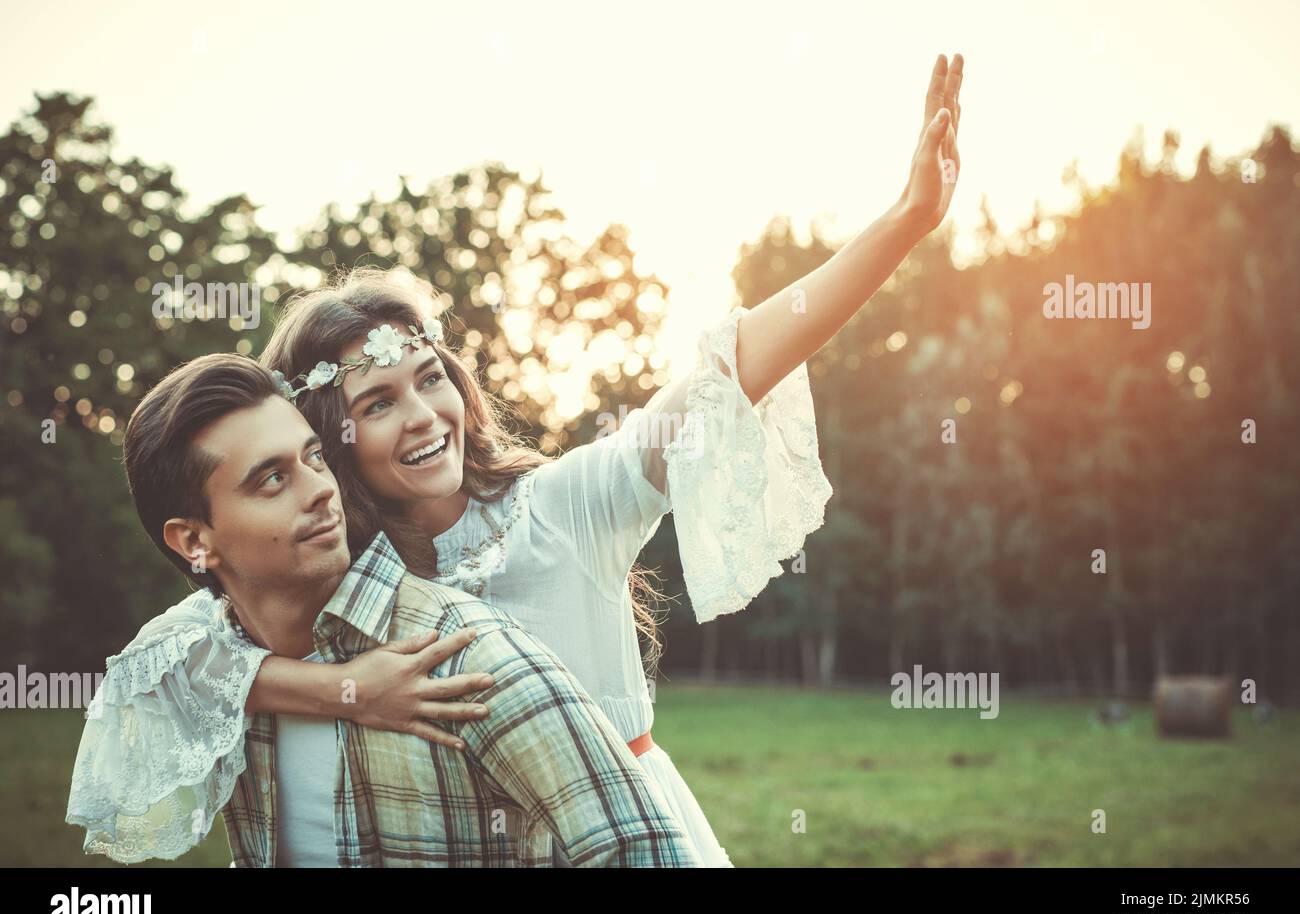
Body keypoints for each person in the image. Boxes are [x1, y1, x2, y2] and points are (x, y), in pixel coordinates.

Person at [69, 52, 965, 868]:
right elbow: (181, 666)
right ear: (326, 437)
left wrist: (906, 221)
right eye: (378, 404)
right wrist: (347, 690)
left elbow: (727, 373)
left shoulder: (561, 506)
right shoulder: (331, 577)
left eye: (432, 380)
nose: (425, 417)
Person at [66, 353, 702, 867]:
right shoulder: (216, 666)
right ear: (193, 541)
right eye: (272, 480)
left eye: (315, 458)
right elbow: (138, 674)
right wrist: (336, 691)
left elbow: (644, 849)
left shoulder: (457, 655)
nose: (319, 490)